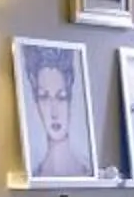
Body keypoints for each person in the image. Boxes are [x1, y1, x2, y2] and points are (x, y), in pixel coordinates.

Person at [22, 46, 94, 179]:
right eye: (44, 97)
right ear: (36, 102)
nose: (54, 113)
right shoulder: (36, 172)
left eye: (61, 97)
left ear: (70, 100)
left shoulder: (87, 168)